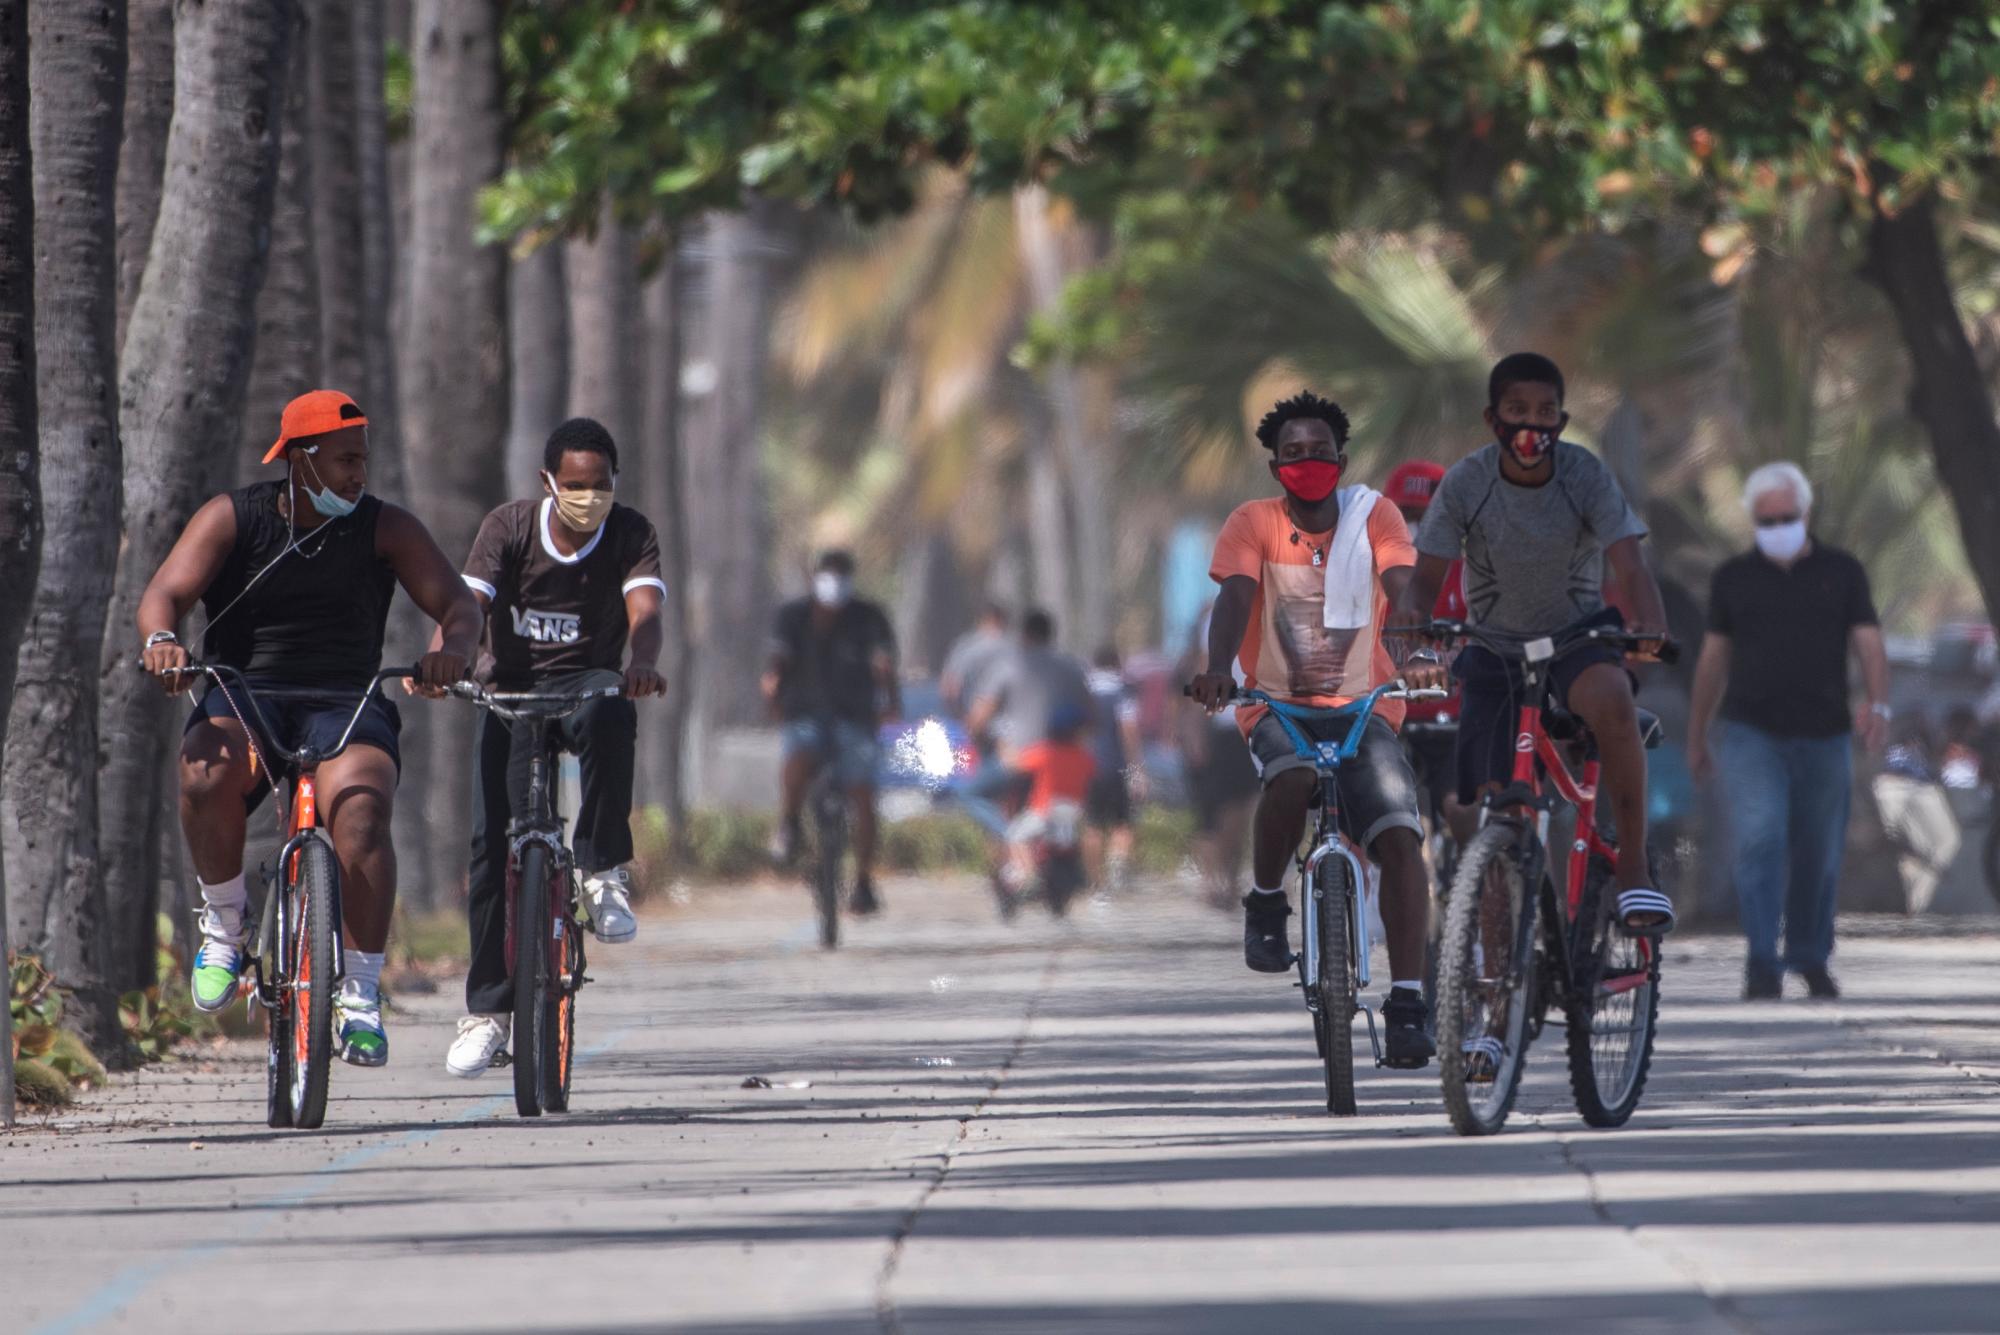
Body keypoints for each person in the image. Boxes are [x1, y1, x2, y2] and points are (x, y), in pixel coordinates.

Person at [138, 390, 480, 1067]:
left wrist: (452, 649)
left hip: (345, 698)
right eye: (345, 460)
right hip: (246, 692)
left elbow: (458, 603)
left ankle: (357, 992)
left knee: (361, 810)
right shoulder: (232, 518)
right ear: (301, 458)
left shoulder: (387, 528)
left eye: (364, 460)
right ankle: (226, 925)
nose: (359, 474)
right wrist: (161, 639)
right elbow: (166, 592)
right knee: (204, 769)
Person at [1187, 391, 1437, 1070]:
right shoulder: (1252, 523)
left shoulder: (1375, 515)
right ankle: (1267, 900)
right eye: (1292, 455)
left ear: (1343, 460)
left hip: (1366, 707)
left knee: (1399, 833)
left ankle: (1410, 999)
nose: (1308, 463)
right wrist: (1216, 670)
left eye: (1320, 453)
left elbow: (1405, 585)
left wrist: (1413, 653)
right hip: (1275, 703)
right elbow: (1234, 598)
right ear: (1274, 467)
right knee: (1290, 778)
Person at [1397, 353, 1674, 937]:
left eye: (1546, 412)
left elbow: (1629, 563)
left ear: (1563, 421)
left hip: (1576, 640)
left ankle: (1632, 868)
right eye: (1517, 411)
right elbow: (1423, 581)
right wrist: (1415, 622)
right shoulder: (1467, 482)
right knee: (1498, 810)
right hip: (1494, 649)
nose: (1532, 426)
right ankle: (1498, 998)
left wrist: (1649, 622)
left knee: (1613, 702)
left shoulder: (1585, 475)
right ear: (1492, 418)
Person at [437, 418, 667, 1079]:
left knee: (610, 715)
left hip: (588, 683)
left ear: (613, 484)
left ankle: (601, 870)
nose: (587, 497)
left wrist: (641, 662)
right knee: (488, 851)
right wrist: (448, 656)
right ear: (548, 483)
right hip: (508, 693)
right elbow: (468, 604)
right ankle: (487, 1013)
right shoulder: (507, 529)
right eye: (574, 484)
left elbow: (644, 611)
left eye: (599, 485)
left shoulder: (630, 533)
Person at [1686, 462, 1890, 999]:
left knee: (1818, 850)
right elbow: (1712, 660)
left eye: (1786, 516)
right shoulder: (1734, 578)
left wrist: (1879, 702)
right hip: (1751, 733)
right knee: (1759, 839)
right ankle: (1760, 959)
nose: (1778, 526)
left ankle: (1809, 955)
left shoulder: (1843, 572)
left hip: (1825, 734)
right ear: (1753, 520)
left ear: (1806, 513)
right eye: (1766, 519)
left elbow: (1868, 640)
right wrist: (1696, 735)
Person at [763, 550, 901, 915]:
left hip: (855, 718)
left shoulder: (869, 618)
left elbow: (885, 667)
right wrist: (772, 694)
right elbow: (777, 665)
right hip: (804, 713)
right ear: (815, 577)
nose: (835, 582)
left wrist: (890, 703)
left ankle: (864, 881)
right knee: (796, 760)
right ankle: (789, 824)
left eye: (842, 574)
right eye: (829, 574)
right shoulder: (793, 617)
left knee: (863, 796)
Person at [1381, 460, 1476, 852]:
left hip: (1452, 722)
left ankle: (1476, 888)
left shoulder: (1470, 575)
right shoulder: (1372, 575)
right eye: (1405, 515)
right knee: (1390, 818)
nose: (1415, 527)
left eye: (1426, 516)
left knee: (1460, 809)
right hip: (1390, 724)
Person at [999, 705, 1098, 900]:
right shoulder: (1084, 757)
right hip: (1073, 812)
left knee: (1014, 836)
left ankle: (1029, 877)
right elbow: (1093, 775)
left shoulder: (1045, 752)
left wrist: (1004, 744)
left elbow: (1014, 764)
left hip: (1044, 811)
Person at [1084, 645, 1146, 890]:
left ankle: (1096, 883)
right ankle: (1117, 864)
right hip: (1116, 766)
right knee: (1123, 821)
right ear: (1117, 664)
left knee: (1092, 824)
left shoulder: (1084, 691)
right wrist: (1137, 768)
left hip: (1088, 768)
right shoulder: (1123, 692)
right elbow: (1128, 730)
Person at [940, 601, 1012, 724]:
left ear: (981, 620)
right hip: (1008, 726)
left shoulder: (965, 647)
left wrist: (961, 718)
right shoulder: (1015, 648)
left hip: (972, 721)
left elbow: (950, 688)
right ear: (1003, 620)